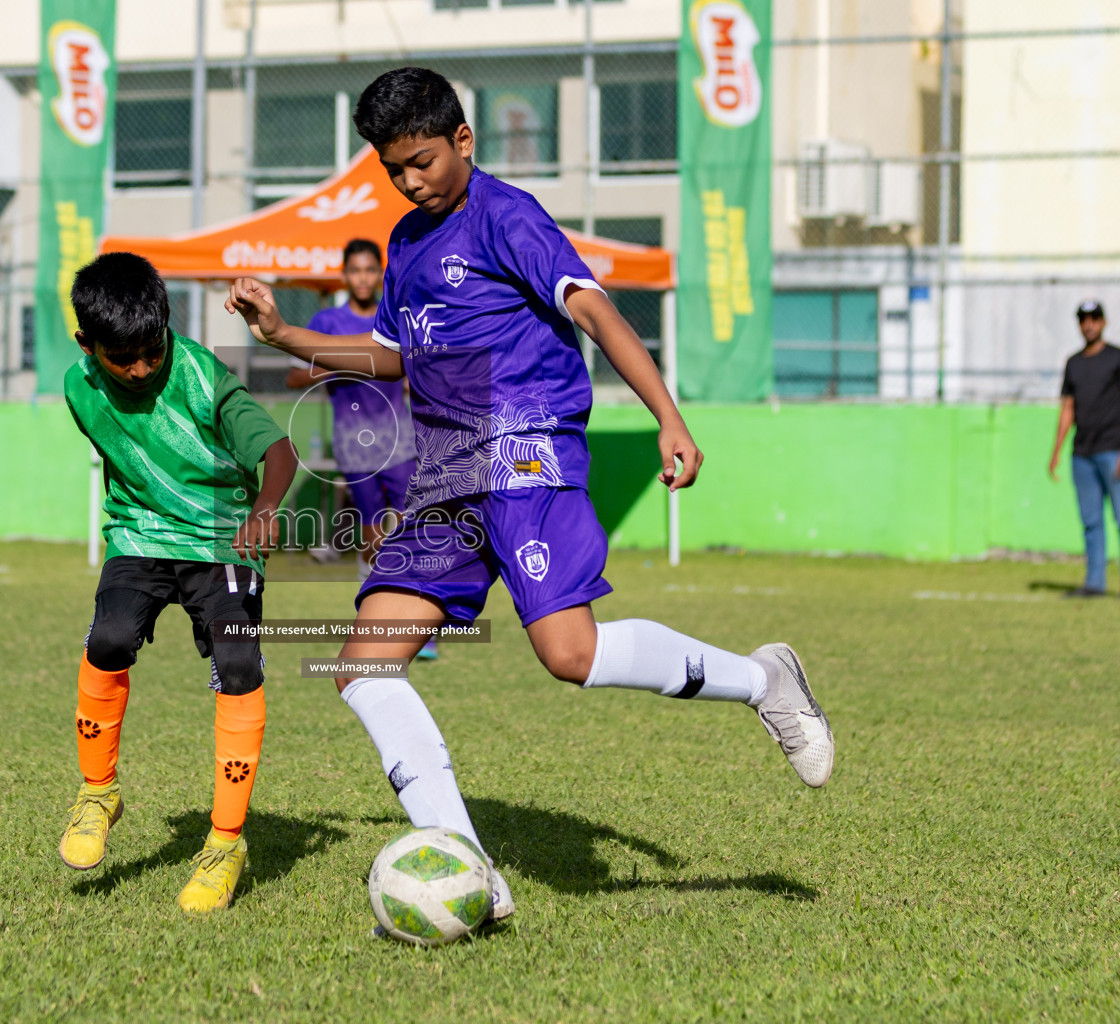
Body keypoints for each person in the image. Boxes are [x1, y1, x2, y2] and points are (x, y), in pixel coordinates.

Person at [226, 67, 833, 924]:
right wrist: (286, 331)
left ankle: (762, 679)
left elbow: (594, 310)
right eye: (393, 169)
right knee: (363, 667)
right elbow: (399, 356)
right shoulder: (403, 243)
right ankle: (469, 865)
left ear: (463, 142)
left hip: (525, 449)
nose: (410, 181)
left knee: (569, 655)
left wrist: (668, 417)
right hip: (446, 470)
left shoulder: (507, 216)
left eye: (423, 161)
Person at [59, 252, 297, 912]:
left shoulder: (200, 376)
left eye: (150, 349)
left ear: (166, 325)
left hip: (224, 534)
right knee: (108, 638)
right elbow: (126, 469)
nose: (139, 367)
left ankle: (224, 843)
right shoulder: (80, 389)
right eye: (122, 357)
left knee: (238, 662)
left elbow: (279, 452)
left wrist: (266, 508)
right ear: (88, 345)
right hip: (140, 534)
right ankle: (98, 792)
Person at [286, 239, 437, 660]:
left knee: (413, 526)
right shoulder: (329, 321)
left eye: (371, 270)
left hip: (402, 439)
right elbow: (294, 378)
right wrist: (339, 363)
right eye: (356, 271)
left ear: (380, 273)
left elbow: (417, 364)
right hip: (354, 444)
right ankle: (375, 615)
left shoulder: (396, 315)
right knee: (371, 535)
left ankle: (422, 625)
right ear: (345, 275)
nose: (364, 278)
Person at [1049, 299, 1120, 597]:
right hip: (1082, 455)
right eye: (1083, 319)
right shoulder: (1073, 363)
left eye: (1094, 318)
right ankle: (1094, 583)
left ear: (1103, 322)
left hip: (1112, 451)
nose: (1088, 324)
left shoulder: (1116, 359)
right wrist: (1056, 451)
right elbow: (1068, 407)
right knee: (1091, 521)